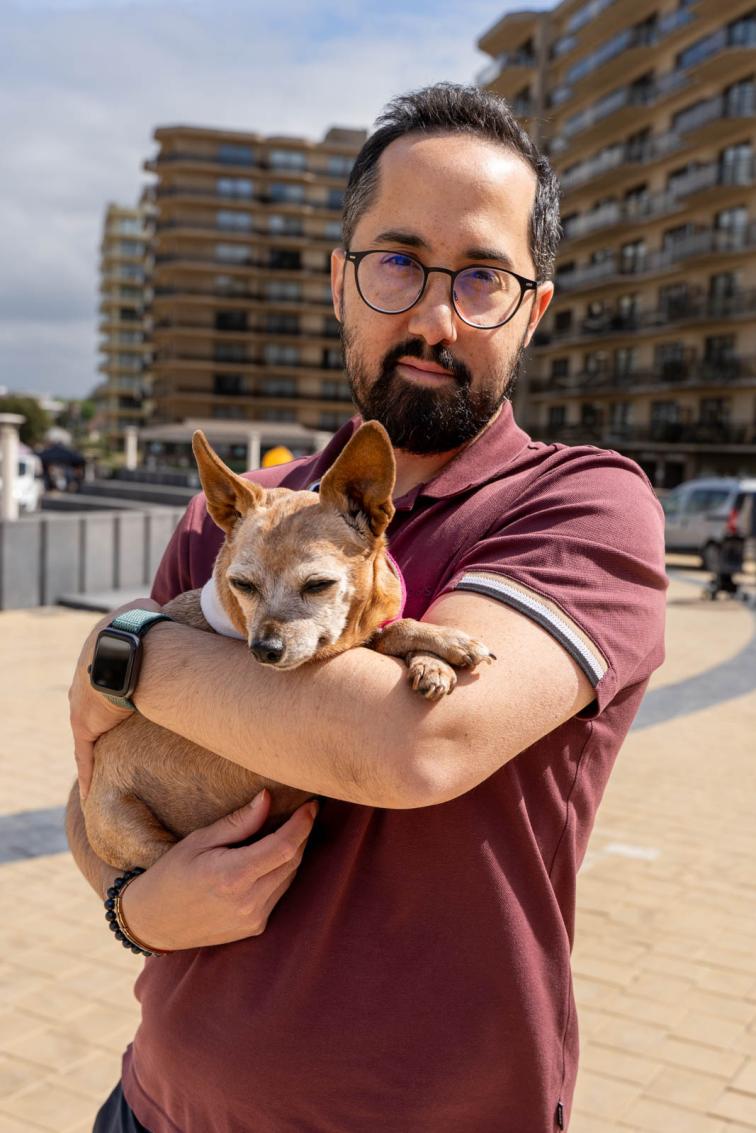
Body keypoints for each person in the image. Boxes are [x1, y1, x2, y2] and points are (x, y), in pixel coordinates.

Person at [67, 83, 667, 1133]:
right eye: (398, 261)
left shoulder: (583, 505)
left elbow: (411, 745)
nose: (435, 316)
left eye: (482, 276)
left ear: (534, 309)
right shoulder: (241, 517)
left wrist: (121, 649)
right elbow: (96, 793)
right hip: (156, 1106)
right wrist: (138, 905)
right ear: (341, 280)